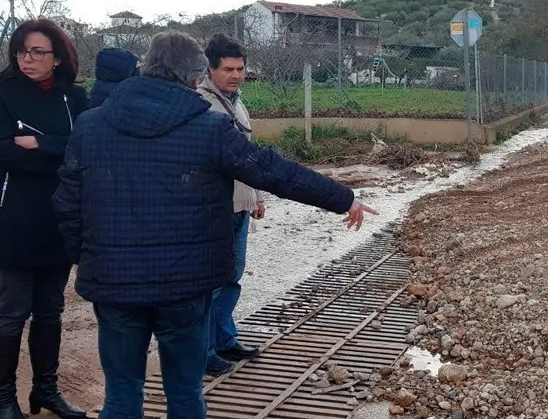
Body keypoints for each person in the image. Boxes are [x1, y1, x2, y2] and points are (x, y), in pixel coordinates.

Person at [52, 30, 378, 419]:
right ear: (195, 76)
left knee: (121, 395)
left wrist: (89, 258)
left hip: (114, 284)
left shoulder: (90, 126)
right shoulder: (209, 128)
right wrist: (344, 198)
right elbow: (274, 171)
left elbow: (67, 205)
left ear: (146, 66)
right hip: (185, 286)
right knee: (186, 393)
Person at [0, 19, 89, 419]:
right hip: (13, 220)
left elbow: (84, 151)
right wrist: (59, 153)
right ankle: (3, 399)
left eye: (37, 51)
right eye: (21, 50)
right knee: (11, 313)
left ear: (57, 57)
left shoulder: (75, 98)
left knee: (51, 311)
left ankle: (46, 390)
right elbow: (6, 153)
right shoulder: (3, 92)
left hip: (59, 218)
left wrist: (41, 143)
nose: (27, 59)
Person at [196, 34, 264, 375]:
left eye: (240, 68)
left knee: (232, 277)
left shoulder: (238, 104)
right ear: (210, 69)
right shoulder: (201, 105)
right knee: (209, 282)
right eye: (228, 69)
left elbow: (248, 158)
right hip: (214, 210)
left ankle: (225, 339)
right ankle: (204, 350)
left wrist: (257, 196)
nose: (235, 75)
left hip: (241, 205)